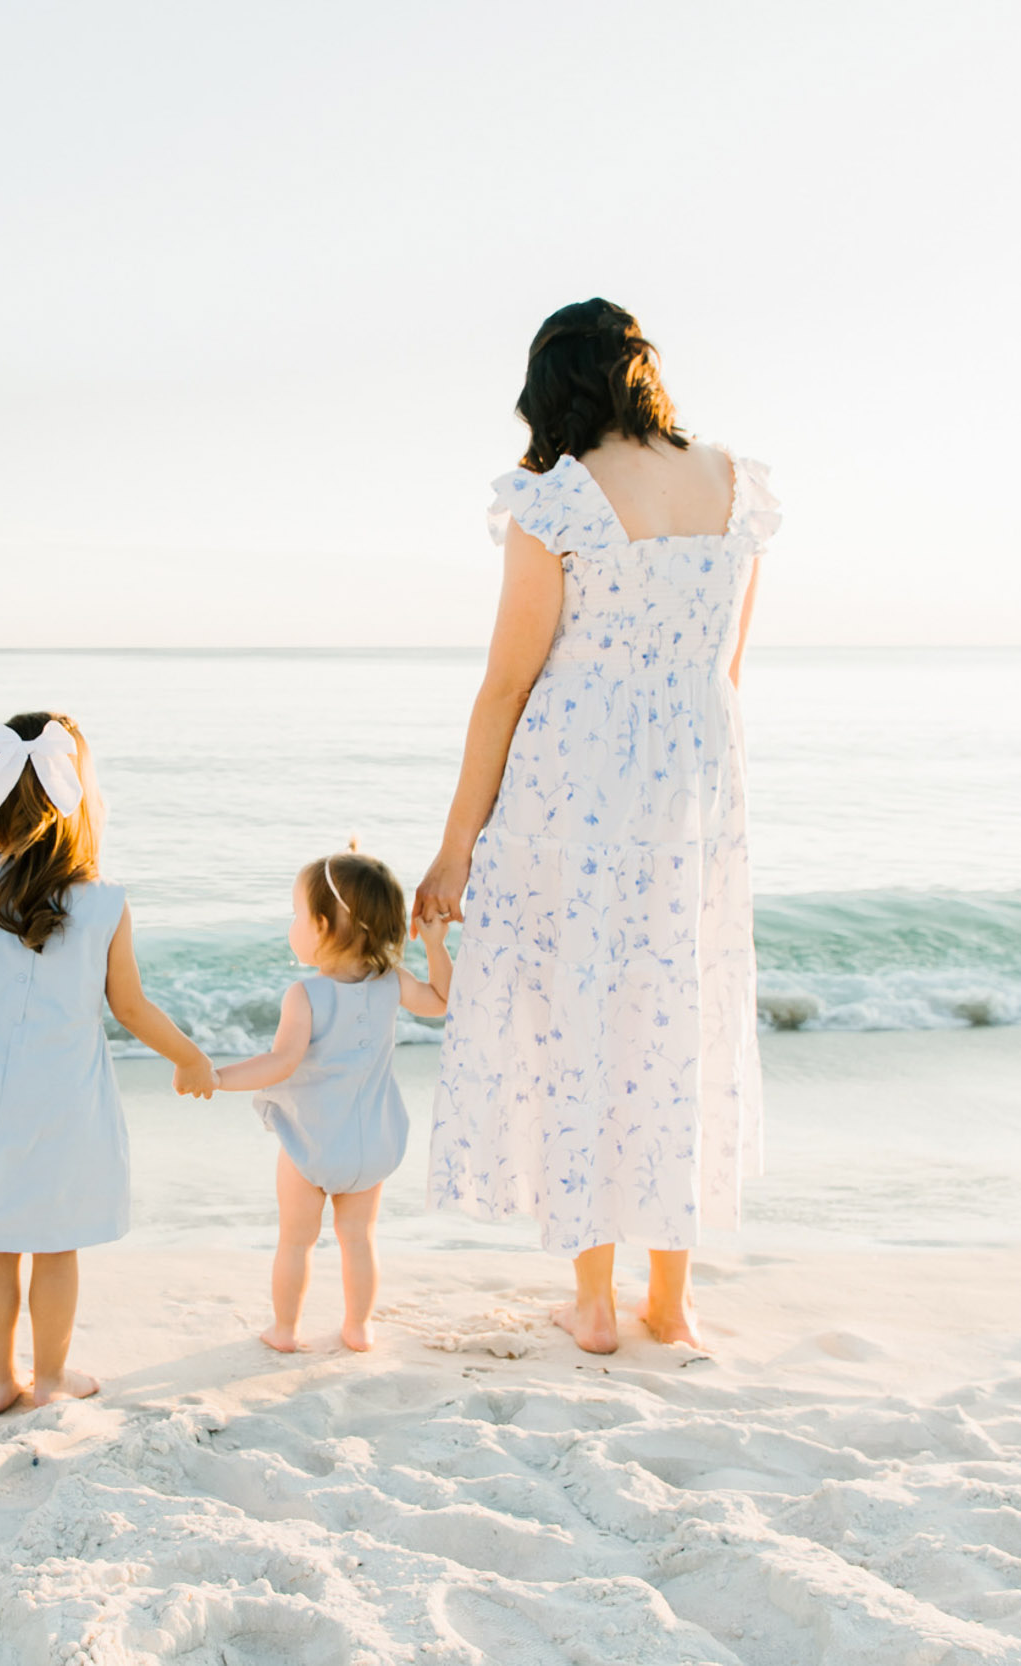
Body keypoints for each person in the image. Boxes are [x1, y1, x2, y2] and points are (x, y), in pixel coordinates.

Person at [412, 298, 780, 1355]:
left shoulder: (558, 500)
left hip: (572, 785)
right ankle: (672, 1301)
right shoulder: (734, 485)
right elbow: (727, 667)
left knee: (583, 1017)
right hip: (696, 786)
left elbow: (505, 687)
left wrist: (455, 849)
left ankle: (594, 1303)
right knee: (674, 1013)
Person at [0, 713, 215, 1412]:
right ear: (78, 798)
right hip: (64, 1101)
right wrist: (190, 1056)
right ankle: (48, 1378)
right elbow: (130, 1006)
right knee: (54, 1244)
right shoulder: (103, 902)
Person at [212, 848, 452, 1354]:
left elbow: (280, 1063)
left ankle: (285, 1329)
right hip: (372, 1146)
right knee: (359, 1238)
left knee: (295, 1241)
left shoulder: (305, 995)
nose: (293, 925)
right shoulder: (392, 983)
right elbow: (443, 1001)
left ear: (321, 926)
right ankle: (358, 1327)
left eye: (296, 915)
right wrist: (435, 944)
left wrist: (216, 1077)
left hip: (313, 1144)